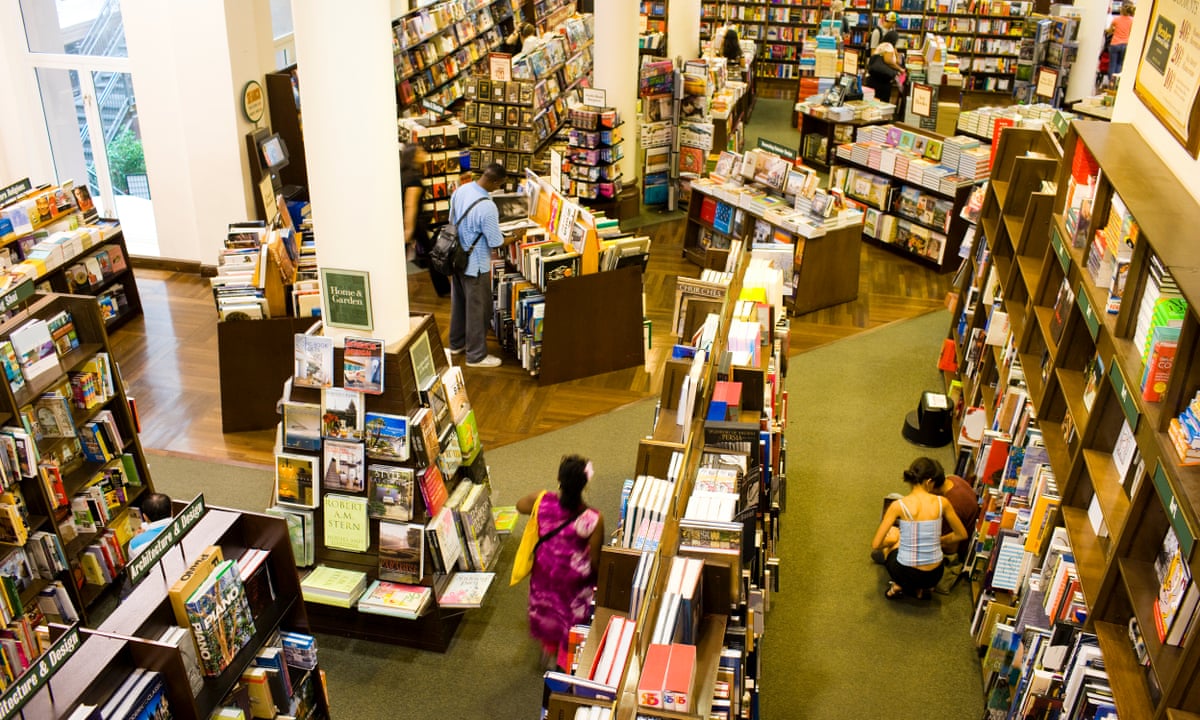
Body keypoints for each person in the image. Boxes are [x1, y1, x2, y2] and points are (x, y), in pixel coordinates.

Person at [516, 454, 605, 670]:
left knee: (548, 609)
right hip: (574, 582)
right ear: (584, 486)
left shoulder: (541, 501)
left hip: (545, 571)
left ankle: (549, 647)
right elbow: (595, 560)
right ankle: (565, 663)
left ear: (559, 480)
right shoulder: (593, 518)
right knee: (570, 620)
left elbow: (520, 505)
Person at [871, 457, 967, 599]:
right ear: (929, 482)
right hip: (934, 575)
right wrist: (938, 540)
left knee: (893, 535)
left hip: (905, 573)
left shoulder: (898, 505)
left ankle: (899, 585)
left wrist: (893, 542)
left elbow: (876, 544)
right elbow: (961, 534)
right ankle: (920, 589)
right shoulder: (943, 502)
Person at [448, 162, 509, 368]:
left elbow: (452, 220)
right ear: (494, 181)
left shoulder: (462, 190)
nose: (498, 188)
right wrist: (515, 237)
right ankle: (476, 356)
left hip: (456, 259)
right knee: (478, 310)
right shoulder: (487, 206)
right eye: (499, 184)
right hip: (476, 264)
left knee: (459, 304)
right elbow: (495, 241)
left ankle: (456, 344)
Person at [401, 143, 450, 297]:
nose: (424, 154)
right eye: (420, 152)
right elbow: (410, 205)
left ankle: (443, 288)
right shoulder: (414, 179)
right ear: (414, 156)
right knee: (431, 254)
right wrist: (409, 230)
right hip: (415, 223)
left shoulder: (403, 174)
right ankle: (443, 289)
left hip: (410, 223)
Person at [128, 492, 173, 557]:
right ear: (171, 511)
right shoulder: (184, 523)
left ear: (145, 517)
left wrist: (137, 538)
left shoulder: (134, 545)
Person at [1106, 3, 1135, 80]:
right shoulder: (1132, 21)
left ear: (1121, 10)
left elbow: (1109, 31)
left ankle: (1110, 81)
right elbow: (1131, 32)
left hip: (1115, 43)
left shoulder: (1116, 19)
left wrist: (1113, 30)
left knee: (1112, 64)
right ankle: (1116, 82)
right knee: (1120, 63)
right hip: (1125, 44)